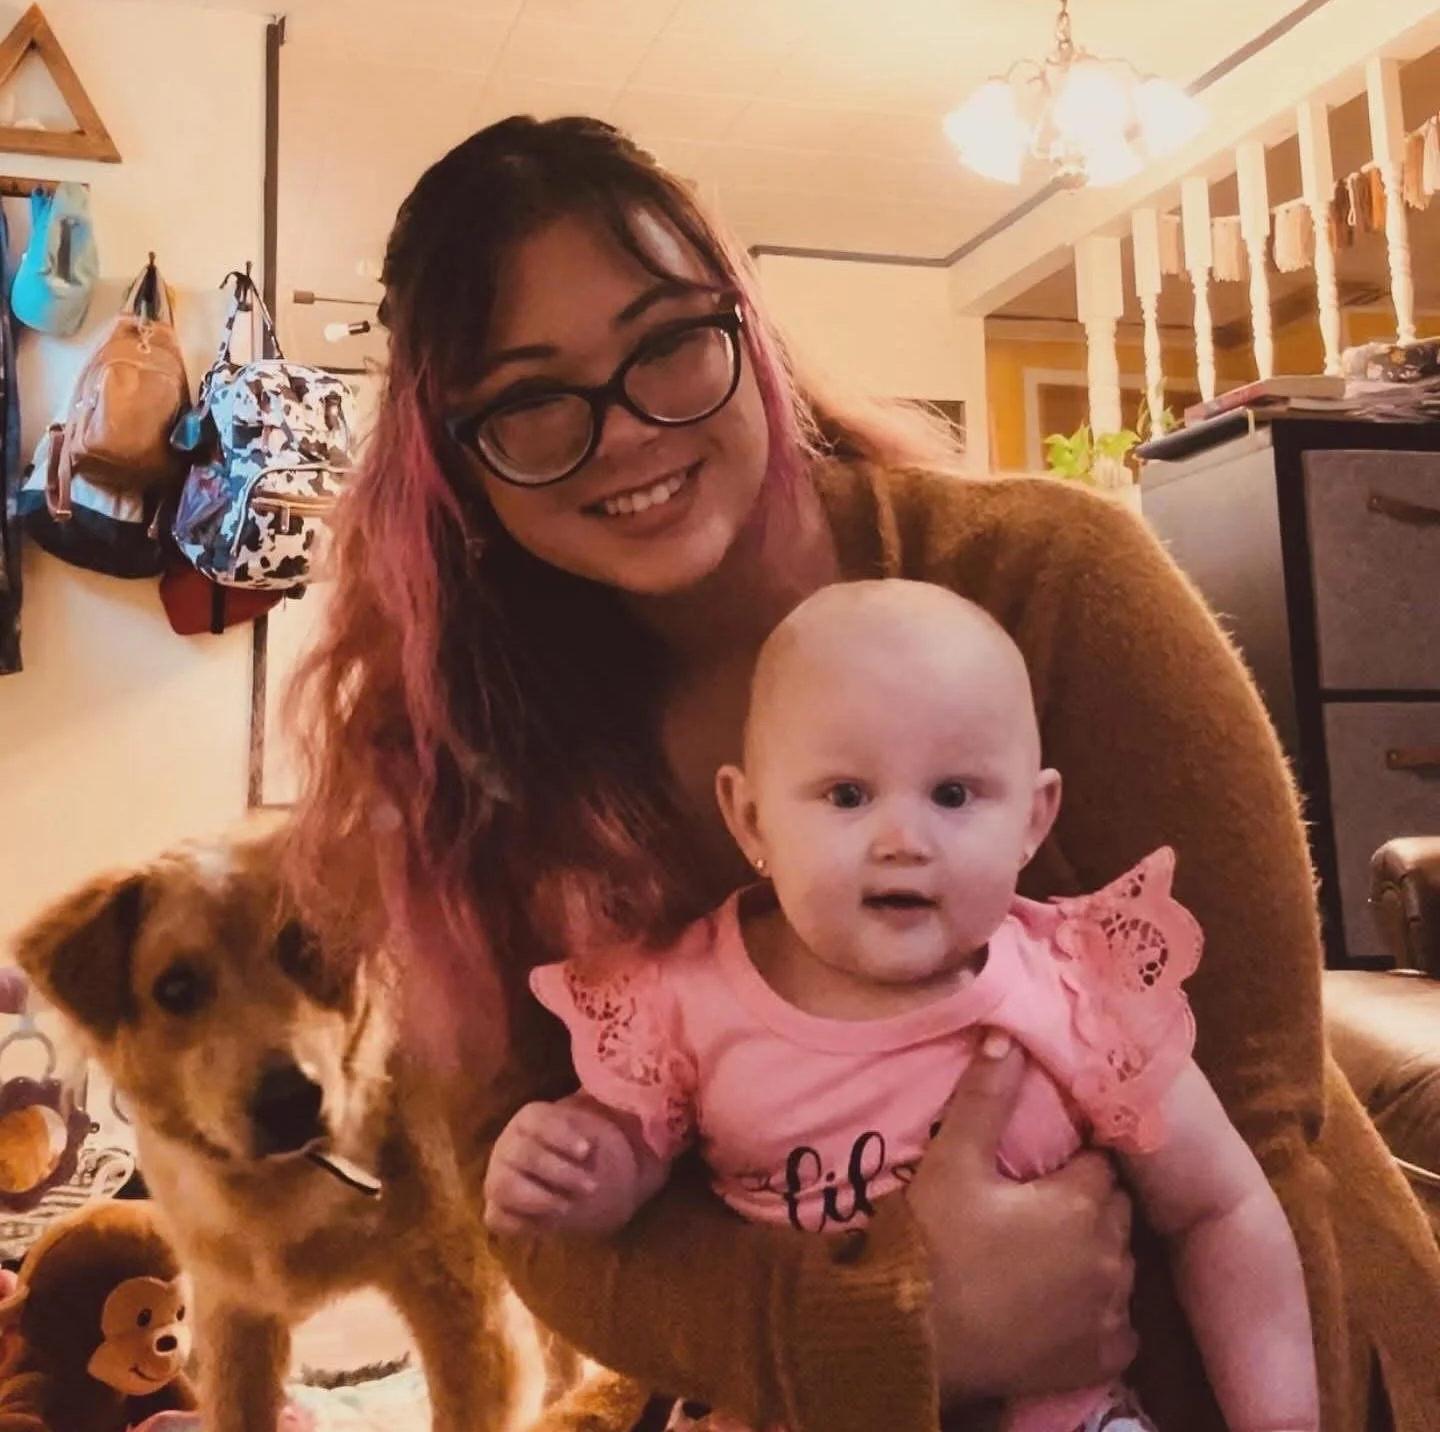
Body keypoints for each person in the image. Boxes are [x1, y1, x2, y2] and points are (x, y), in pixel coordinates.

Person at [286, 115, 1440, 1432]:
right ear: (457, 454)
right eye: (533, 396)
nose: (626, 430)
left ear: (745, 331)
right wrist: (901, 1321)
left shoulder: (1051, 583)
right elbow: (538, 1214)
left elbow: (1257, 1121)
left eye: (668, 340)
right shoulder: (476, 758)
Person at [482, 580, 1320, 1432]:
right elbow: (625, 1162)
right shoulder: (688, 994)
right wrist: (574, 1170)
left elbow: (1221, 1207)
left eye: (954, 795)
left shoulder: (1077, 988)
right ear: (751, 819)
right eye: (846, 795)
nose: (902, 840)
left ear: (1033, 821)